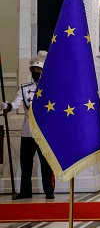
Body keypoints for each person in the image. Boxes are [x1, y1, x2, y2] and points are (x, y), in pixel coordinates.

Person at [2, 51, 55, 199]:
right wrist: (7, 106)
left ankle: (49, 191)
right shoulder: (24, 89)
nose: (36, 73)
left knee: (46, 163)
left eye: (39, 70)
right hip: (27, 132)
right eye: (34, 70)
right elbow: (16, 104)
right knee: (26, 164)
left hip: (44, 132)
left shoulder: (50, 89)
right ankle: (25, 191)